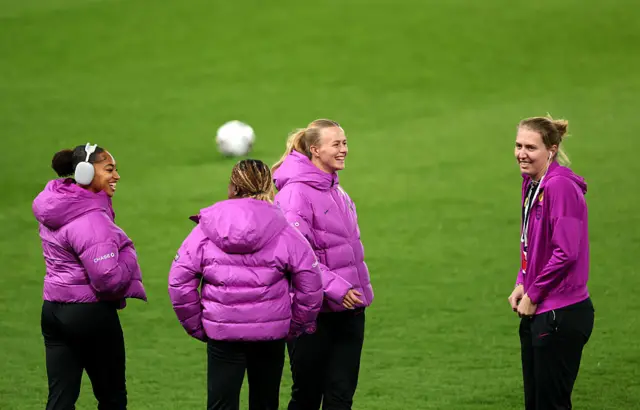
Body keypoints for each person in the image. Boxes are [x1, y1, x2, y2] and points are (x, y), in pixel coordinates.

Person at [168, 159, 323, 410]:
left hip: (223, 336)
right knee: (265, 403)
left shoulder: (205, 230)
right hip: (270, 337)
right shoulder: (284, 231)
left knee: (220, 404)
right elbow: (311, 284)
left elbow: (179, 282)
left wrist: (199, 326)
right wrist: (293, 325)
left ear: (234, 189)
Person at [32, 143, 147, 410]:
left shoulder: (55, 205)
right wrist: (128, 253)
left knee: (60, 398)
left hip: (53, 310)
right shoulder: (91, 218)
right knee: (112, 398)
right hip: (89, 314)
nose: (117, 176)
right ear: (84, 172)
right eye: (109, 169)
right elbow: (107, 278)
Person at [271, 119, 374, 410]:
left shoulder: (338, 192)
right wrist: (336, 287)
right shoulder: (295, 194)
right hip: (313, 312)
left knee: (341, 396)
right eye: (336, 144)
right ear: (315, 149)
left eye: (345, 143)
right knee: (307, 396)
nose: (344, 150)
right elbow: (296, 253)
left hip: (351, 309)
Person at [508, 116, 595, 410]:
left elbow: (566, 252)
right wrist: (522, 282)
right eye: (518, 145)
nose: (522, 153)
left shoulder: (560, 188)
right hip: (539, 310)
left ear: (552, 150)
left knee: (551, 406)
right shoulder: (532, 184)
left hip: (561, 313)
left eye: (531, 147)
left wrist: (533, 294)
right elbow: (531, 243)